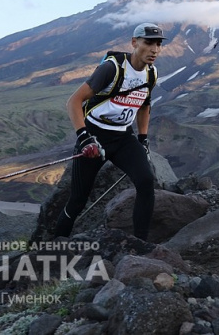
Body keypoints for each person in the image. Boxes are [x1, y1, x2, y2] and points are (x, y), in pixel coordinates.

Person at [53, 22, 165, 240]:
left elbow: (144, 104)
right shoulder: (112, 68)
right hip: (96, 134)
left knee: (145, 182)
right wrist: (84, 138)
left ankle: (140, 244)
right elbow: (74, 101)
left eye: (159, 44)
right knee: (77, 199)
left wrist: (142, 138)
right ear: (134, 43)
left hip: (124, 137)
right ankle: (58, 247)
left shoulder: (151, 74)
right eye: (148, 43)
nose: (154, 50)